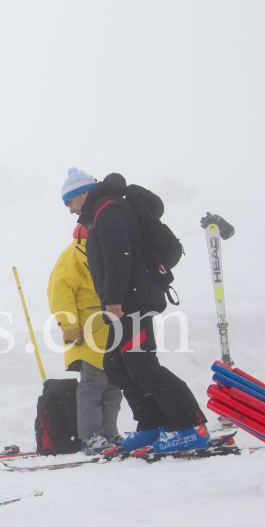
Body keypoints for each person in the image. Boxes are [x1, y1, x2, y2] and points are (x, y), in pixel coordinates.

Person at [63, 168, 209, 451]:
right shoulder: (100, 213)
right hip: (125, 301)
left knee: (142, 364)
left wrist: (114, 299)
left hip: (133, 301)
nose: (70, 210)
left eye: (70, 202)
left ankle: (191, 426)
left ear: (83, 193)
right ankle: (153, 425)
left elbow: (118, 256)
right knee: (117, 366)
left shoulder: (109, 208)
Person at [47, 219, 123, 454]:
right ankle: (91, 437)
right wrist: (69, 326)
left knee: (113, 386)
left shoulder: (105, 252)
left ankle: (109, 433)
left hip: (111, 330)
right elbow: (59, 289)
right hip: (87, 332)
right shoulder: (74, 254)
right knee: (93, 386)